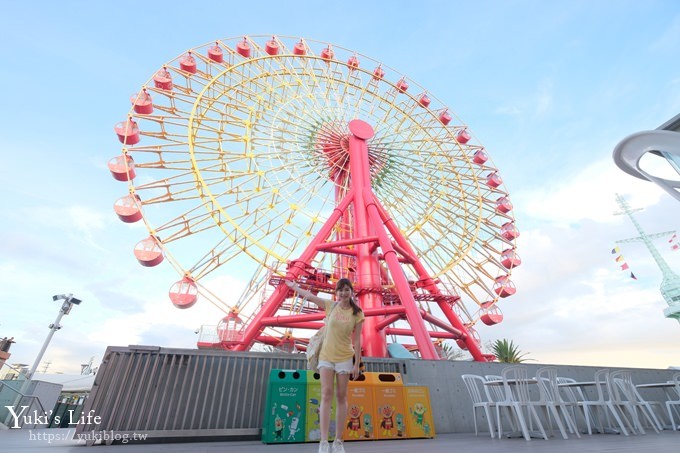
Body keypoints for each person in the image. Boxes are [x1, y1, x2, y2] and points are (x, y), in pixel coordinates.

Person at [285, 278, 364, 453]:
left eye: (346, 290)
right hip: (326, 356)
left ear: (351, 292)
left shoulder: (357, 313)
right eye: (340, 290)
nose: (343, 293)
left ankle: (338, 441)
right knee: (326, 394)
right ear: (336, 293)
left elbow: (357, 340)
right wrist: (295, 287)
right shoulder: (331, 306)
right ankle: (323, 442)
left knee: (342, 397)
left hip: (344, 356)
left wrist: (357, 364)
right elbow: (311, 297)